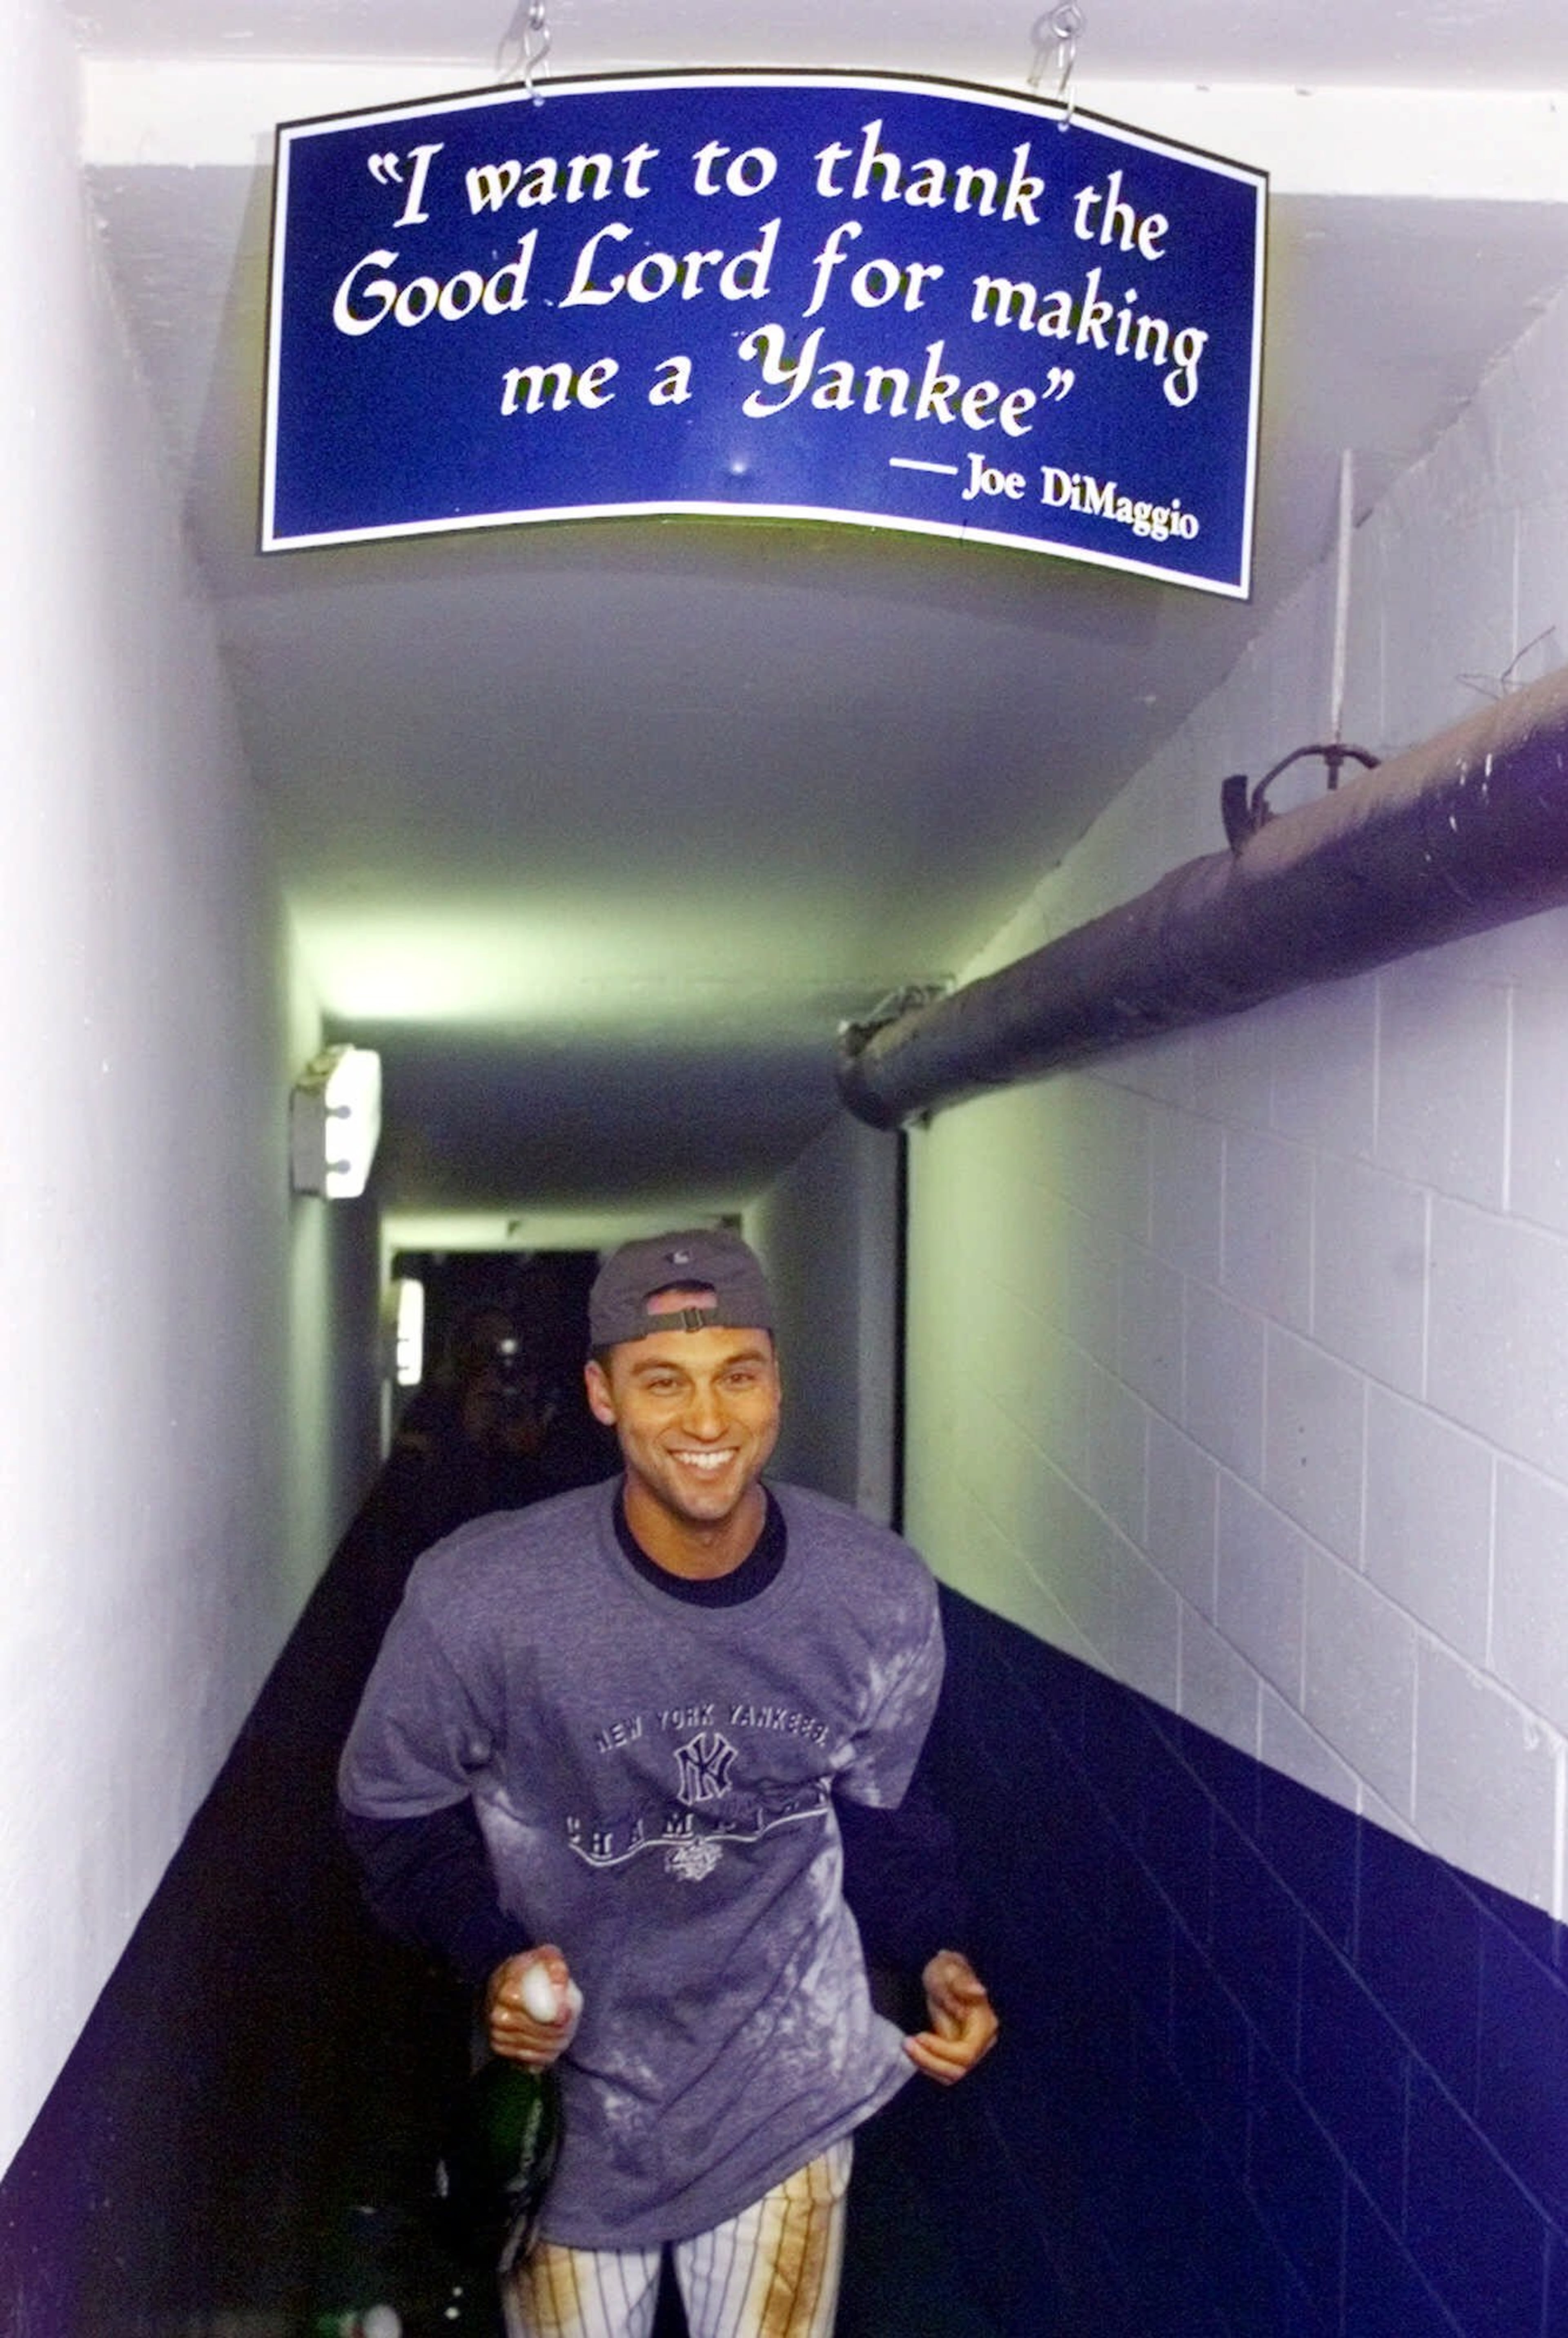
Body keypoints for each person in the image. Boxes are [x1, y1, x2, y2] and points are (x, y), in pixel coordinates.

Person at [339, 1227, 998, 2338]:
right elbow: (391, 1811)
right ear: (603, 1394)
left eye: (738, 1376)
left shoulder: (876, 1592)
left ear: (777, 1381)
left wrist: (933, 1951)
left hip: (786, 2084)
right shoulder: (483, 1599)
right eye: (664, 1382)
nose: (706, 1422)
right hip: (577, 2113)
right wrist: (490, 1953)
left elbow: (877, 1811)